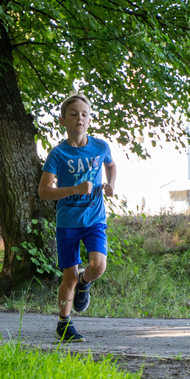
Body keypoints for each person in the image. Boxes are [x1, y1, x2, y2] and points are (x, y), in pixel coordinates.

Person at [38, 93, 117, 342]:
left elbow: (111, 165)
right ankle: (64, 324)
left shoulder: (100, 147)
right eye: (73, 114)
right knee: (68, 276)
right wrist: (73, 189)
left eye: (84, 114)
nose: (79, 118)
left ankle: (85, 283)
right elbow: (44, 192)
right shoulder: (57, 155)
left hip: (95, 219)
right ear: (63, 121)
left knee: (98, 266)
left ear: (90, 120)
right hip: (68, 223)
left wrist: (111, 184)